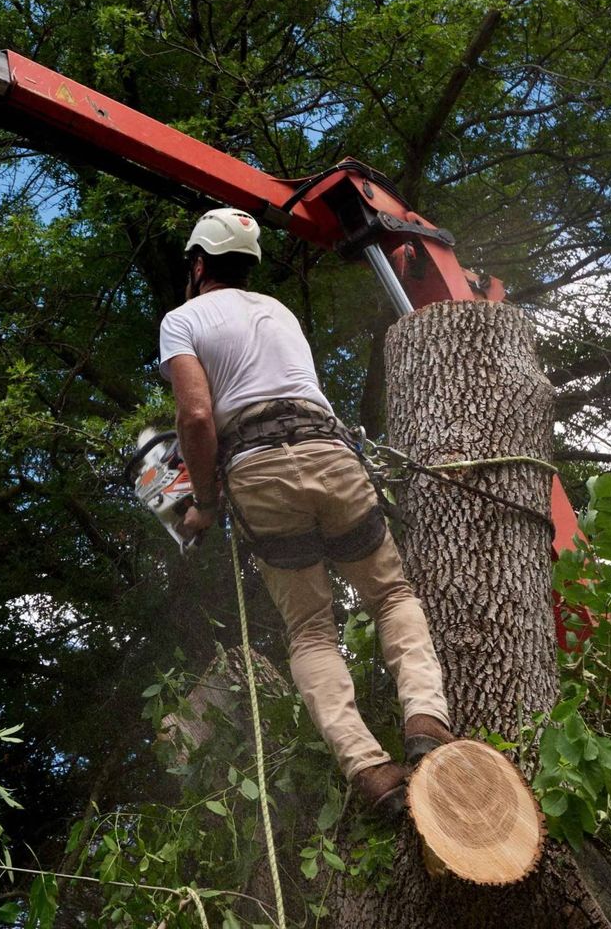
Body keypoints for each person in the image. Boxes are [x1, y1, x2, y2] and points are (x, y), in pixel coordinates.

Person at [158, 207, 454, 818]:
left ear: (196, 263)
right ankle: (426, 721)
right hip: (329, 452)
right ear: (248, 264)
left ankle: (370, 771)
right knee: (391, 594)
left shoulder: (182, 318)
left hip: (257, 471)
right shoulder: (280, 312)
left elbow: (194, 418)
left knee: (312, 630)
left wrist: (205, 506)